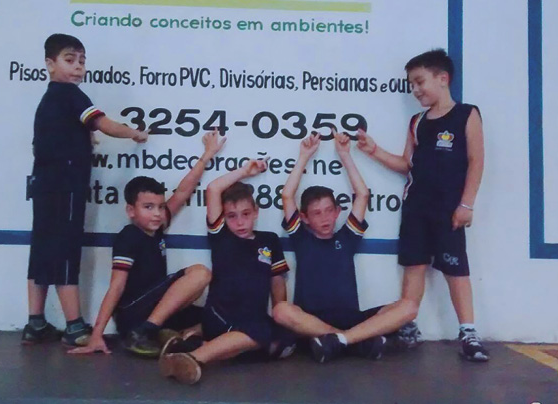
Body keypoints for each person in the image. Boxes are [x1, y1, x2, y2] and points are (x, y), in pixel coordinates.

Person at [357, 49, 489, 362]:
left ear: (443, 78)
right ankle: (407, 326)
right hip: (416, 209)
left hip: (449, 211)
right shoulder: (417, 122)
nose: (415, 90)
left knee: (456, 270)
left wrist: (466, 204)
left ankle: (468, 332)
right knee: (413, 267)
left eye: (419, 82)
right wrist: (373, 150)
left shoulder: (467, 114)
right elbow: (407, 164)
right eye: (411, 85)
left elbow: (476, 160)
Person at [22, 33, 149, 347]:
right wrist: (133, 133)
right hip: (65, 186)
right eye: (69, 60)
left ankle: (35, 323)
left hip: (44, 185)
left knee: (41, 250)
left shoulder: (49, 100)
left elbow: (47, 141)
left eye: (81, 61)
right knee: (65, 252)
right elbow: (102, 123)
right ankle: (75, 326)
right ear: (50, 64)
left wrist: (81, 139)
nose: (78, 67)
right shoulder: (71, 95)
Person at [68, 131, 226, 356]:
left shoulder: (158, 227)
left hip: (156, 308)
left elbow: (183, 191)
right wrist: (97, 334)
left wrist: (207, 154)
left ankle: (171, 335)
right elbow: (116, 287)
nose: (157, 213)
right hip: (133, 313)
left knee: (216, 318)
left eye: (160, 207)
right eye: (148, 207)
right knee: (200, 273)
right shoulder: (129, 236)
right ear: (131, 210)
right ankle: (144, 332)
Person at [272, 131, 418, 363]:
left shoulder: (347, 237)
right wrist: (304, 157)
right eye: (317, 213)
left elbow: (362, 195)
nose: (325, 218)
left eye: (329, 210)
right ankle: (356, 342)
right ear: (305, 218)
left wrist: (345, 154)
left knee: (409, 306)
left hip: (352, 319)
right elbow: (287, 196)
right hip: (311, 322)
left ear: (338, 211)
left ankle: (340, 341)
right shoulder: (301, 238)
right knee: (281, 310)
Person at [159, 158, 293, 384]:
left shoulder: (269, 240)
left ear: (256, 212)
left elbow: (277, 280)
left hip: (252, 318)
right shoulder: (221, 236)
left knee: (280, 342)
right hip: (220, 316)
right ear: (224, 217)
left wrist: (280, 314)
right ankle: (195, 357)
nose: (240, 222)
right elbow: (213, 189)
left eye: (246, 214)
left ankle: (189, 346)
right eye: (232, 216)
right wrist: (245, 171)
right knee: (261, 333)